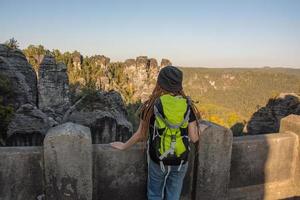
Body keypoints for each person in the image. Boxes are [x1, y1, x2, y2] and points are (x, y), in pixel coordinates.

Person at [110, 66, 200, 200]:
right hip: (181, 160)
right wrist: (201, 128)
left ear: (160, 83)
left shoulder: (151, 105)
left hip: (158, 159)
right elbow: (194, 138)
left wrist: (124, 146)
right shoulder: (187, 105)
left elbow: (141, 134)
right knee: (173, 196)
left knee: (155, 194)